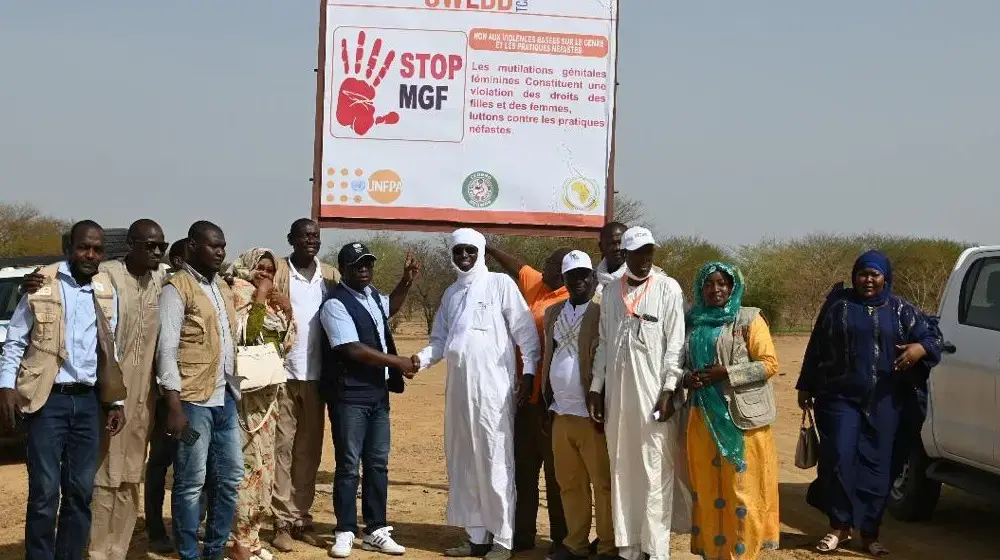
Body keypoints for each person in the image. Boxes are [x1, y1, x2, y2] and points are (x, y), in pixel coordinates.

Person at [797, 250, 942, 557]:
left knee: (879, 466)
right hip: (838, 397)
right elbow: (817, 345)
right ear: (855, 276)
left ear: (885, 278)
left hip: (887, 400)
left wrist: (920, 348)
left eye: (875, 275)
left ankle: (870, 533)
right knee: (839, 458)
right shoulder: (838, 306)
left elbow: (933, 336)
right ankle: (837, 528)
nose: (868, 280)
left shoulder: (901, 308)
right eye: (863, 274)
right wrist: (805, 384)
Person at [0, 220, 126, 560]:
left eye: (98, 249)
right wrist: (6, 386)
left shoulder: (105, 290)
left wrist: (114, 401)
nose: (91, 254)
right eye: (84, 247)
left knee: (80, 492)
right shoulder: (42, 284)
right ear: (69, 247)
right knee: (44, 492)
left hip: (87, 403)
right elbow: (15, 341)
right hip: (46, 402)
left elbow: (108, 351)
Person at [414, 228, 541, 560]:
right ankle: (476, 537)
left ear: (481, 252)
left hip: (493, 390)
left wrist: (528, 373)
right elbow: (440, 340)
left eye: (470, 251)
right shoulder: (451, 294)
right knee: (465, 461)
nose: (465, 257)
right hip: (458, 391)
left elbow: (525, 333)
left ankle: (502, 538)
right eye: (459, 252)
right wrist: (420, 359)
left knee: (495, 460)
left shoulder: (500, 285)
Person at [587, 226, 687, 560]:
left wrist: (669, 390)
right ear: (624, 255)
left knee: (655, 468)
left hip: (654, 398)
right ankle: (629, 547)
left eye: (649, 252)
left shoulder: (669, 288)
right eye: (637, 253)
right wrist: (596, 388)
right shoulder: (611, 292)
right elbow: (603, 343)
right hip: (618, 398)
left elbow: (675, 346)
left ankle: (656, 550)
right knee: (622, 469)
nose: (644, 259)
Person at [320, 242, 420, 558]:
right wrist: (398, 362)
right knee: (349, 465)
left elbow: (388, 308)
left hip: (377, 395)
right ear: (344, 269)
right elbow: (351, 348)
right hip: (349, 395)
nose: (364, 269)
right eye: (357, 265)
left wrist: (405, 282)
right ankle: (346, 530)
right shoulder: (335, 304)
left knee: (377, 463)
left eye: (368, 264)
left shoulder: (372, 295)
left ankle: (376, 529)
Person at [157, 220, 244, 560]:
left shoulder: (221, 286)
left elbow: (228, 344)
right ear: (193, 245)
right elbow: (166, 349)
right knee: (191, 481)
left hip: (225, 400)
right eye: (213, 245)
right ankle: (190, 553)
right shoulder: (177, 288)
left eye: (223, 245)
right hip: (192, 403)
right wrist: (173, 406)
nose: (220, 252)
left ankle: (216, 549)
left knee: (229, 476)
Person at [682, 262, 780, 559]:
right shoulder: (693, 320)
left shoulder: (749, 318)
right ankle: (713, 554)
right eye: (709, 284)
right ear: (701, 289)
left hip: (741, 421)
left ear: (732, 286)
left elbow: (769, 364)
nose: (716, 289)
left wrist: (726, 372)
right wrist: (687, 377)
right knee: (708, 489)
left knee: (742, 492)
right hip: (702, 417)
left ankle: (742, 555)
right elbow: (680, 360)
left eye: (722, 283)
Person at [484, 243, 570, 553]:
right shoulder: (540, 288)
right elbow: (517, 266)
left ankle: (562, 539)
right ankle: (522, 535)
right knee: (523, 471)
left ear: (562, 272)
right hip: (525, 401)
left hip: (553, 404)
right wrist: (490, 247)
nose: (540, 267)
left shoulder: (570, 300)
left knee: (557, 476)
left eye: (547, 263)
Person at [537, 251, 617, 560]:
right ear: (565, 280)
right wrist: (547, 400)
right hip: (560, 411)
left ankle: (609, 546)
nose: (579, 280)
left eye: (584, 274)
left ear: (592, 277)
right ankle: (576, 544)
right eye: (572, 275)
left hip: (591, 414)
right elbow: (551, 354)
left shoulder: (602, 311)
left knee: (603, 485)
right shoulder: (554, 312)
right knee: (569, 484)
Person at [270, 218, 341, 551]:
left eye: (315, 236)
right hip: (283, 376)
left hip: (317, 378)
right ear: (291, 239)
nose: (310, 241)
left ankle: (301, 519)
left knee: (308, 453)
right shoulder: (278, 273)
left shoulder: (330, 277)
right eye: (304, 236)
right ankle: (280, 521)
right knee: (281, 450)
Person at [227, 248, 296, 560]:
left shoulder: (272, 297)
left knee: (264, 469)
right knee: (245, 468)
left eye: (270, 269)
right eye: (261, 267)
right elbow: (247, 338)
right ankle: (237, 541)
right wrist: (260, 299)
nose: (265, 274)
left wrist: (287, 310)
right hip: (246, 398)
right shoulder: (238, 292)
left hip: (269, 395)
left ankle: (253, 538)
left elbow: (286, 343)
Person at [145, 235, 208, 553]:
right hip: (165, 398)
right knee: (161, 462)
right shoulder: (166, 288)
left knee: (198, 463)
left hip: (197, 396)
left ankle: (191, 525)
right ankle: (155, 529)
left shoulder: (209, 290)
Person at [594, 221, 628, 295]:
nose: (617, 248)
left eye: (621, 242)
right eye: (611, 243)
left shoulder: (643, 278)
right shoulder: (591, 280)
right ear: (601, 247)